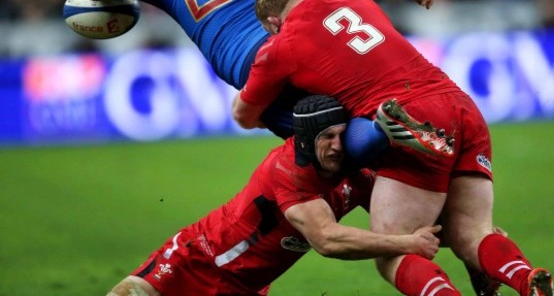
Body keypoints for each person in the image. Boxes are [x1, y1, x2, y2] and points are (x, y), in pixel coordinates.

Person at [232, 0, 554, 296]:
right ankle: (526, 279)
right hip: (461, 105)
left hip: (408, 118)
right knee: (471, 233)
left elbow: (243, 115)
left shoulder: (281, 44)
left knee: (395, 250)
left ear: (275, 22)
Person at [74, 0, 437, 164]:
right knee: (349, 118)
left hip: (260, 64)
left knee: (330, 148)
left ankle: (380, 133)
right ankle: (386, 130)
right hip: (309, 43)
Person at [107, 94, 442, 296]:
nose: (338, 145)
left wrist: (474, 238)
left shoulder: (357, 173)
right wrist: (407, 244)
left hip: (246, 288)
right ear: (307, 140)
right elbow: (328, 240)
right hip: (198, 260)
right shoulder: (287, 173)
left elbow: (414, 218)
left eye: (342, 134)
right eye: (327, 137)